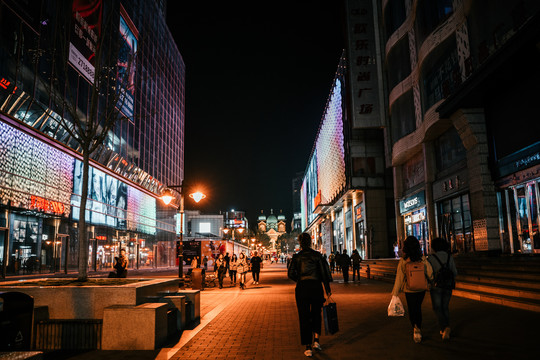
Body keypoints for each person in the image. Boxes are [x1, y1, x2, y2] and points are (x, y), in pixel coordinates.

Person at [288, 233, 332, 357]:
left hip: (302, 288)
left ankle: (307, 346)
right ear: (310, 242)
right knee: (316, 314)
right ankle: (316, 341)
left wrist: (300, 279)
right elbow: (324, 273)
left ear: (300, 243)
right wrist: (327, 289)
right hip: (316, 287)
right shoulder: (317, 256)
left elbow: (290, 273)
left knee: (304, 316)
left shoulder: (297, 257)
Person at [392, 236, 433, 343]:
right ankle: (418, 327)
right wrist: (432, 280)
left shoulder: (404, 261)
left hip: (409, 289)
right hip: (421, 289)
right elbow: (429, 272)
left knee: (412, 309)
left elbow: (399, 278)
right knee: (418, 308)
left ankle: (415, 328)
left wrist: (395, 293)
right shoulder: (422, 259)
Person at [428, 237, 457, 340]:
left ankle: (444, 327)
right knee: (445, 307)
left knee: (437, 308)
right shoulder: (450, 257)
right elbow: (455, 272)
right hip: (448, 285)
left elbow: (429, 274)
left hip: (436, 286)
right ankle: (445, 328)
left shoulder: (431, 258)